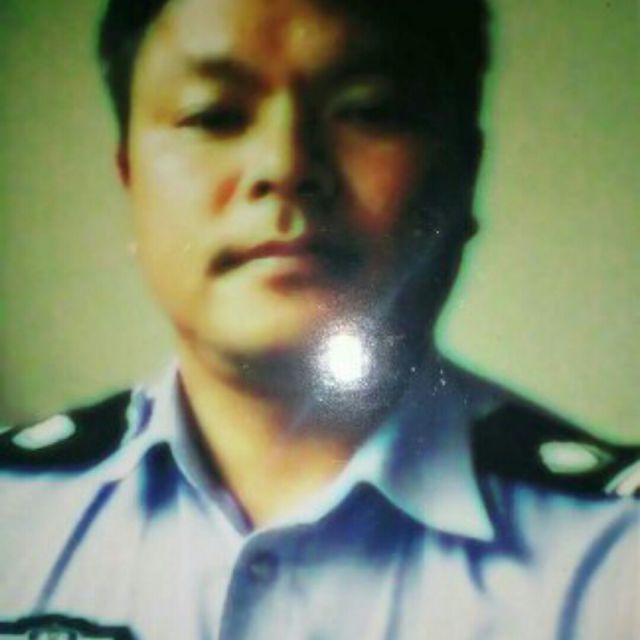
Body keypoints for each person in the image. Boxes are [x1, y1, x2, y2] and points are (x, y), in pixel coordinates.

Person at [0, 0, 638, 638]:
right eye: (215, 116)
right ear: (129, 178)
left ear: (464, 173)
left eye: (368, 111)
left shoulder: (616, 550)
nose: (285, 166)